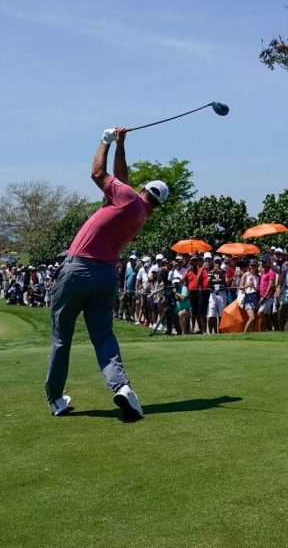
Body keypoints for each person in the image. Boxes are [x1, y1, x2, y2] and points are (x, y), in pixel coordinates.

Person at [45, 127, 169, 421]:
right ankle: (122, 387)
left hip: (78, 270)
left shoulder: (127, 198)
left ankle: (56, 400)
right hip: (105, 276)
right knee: (103, 336)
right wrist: (122, 145)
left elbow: (98, 173)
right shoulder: (139, 213)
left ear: (143, 190)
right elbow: (122, 180)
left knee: (62, 336)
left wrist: (105, 140)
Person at [240, 260, 261, 333]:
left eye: (254, 265)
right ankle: (244, 333)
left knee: (255, 318)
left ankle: (251, 334)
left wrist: (255, 287)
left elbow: (258, 288)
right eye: (252, 265)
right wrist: (248, 285)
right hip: (248, 297)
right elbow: (241, 287)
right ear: (249, 266)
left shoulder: (258, 276)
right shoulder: (246, 275)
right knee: (252, 318)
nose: (253, 267)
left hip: (256, 297)